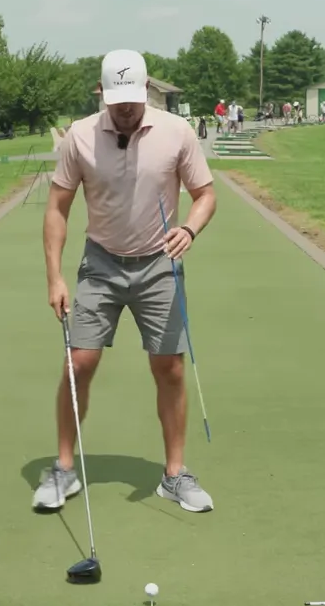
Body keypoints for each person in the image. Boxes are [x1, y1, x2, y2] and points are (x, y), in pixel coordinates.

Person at [35, 49, 218, 514]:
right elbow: (57, 208)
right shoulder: (79, 137)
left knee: (169, 368)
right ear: (102, 94)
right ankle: (62, 469)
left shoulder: (177, 133)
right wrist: (55, 277)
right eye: (118, 101)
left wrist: (190, 228)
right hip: (101, 263)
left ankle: (174, 475)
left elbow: (205, 194)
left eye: (133, 99)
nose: (127, 109)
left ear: (145, 91)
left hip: (159, 264)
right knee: (78, 364)